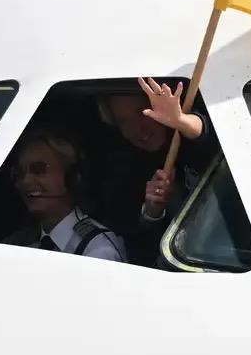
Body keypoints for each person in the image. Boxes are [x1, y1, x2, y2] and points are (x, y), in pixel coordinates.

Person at [93, 77, 218, 267]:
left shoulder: (187, 141)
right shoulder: (126, 171)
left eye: (142, 112)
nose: (137, 128)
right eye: (124, 121)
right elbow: (138, 248)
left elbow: (210, 134)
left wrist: (181, 121)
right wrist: (152, 212)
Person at [2, 130, 126, 263]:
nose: (25, 181)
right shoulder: (18, 243)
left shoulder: (99, 250)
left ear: (73, 178)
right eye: (19, 173)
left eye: (39, 169)